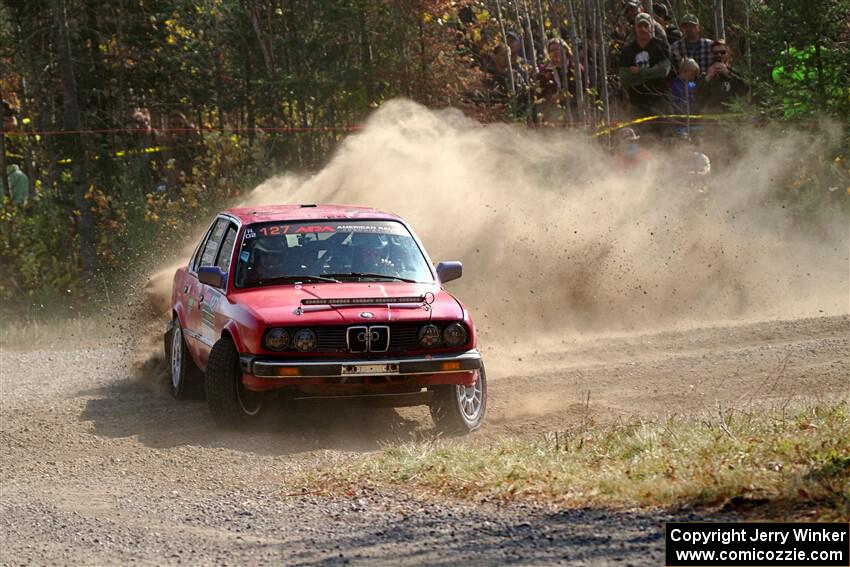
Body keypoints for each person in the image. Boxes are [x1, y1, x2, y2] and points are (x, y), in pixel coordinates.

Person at [618, 13, 672, 121]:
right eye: (639, 26)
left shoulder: (661, 46)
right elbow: (624, 77)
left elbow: (663, 71)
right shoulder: (627, 50)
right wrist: (652, 71)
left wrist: (639, 72)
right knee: (639, 134)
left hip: (660, 100)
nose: (643, 29)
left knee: (663, 134)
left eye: (646, 26)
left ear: (651, 27)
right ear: (635, 28)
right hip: (636, 102)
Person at [697, 40, 747, 113]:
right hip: (710, 118)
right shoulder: (704, 75)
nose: (719, 55)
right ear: (711, 55)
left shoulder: (738, 73)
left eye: (722, 52)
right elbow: (697, 96)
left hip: (733, 117)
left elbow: (745, 91)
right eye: (715, 53)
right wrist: (708, 78)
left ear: (728, 54)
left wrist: (728, 75)